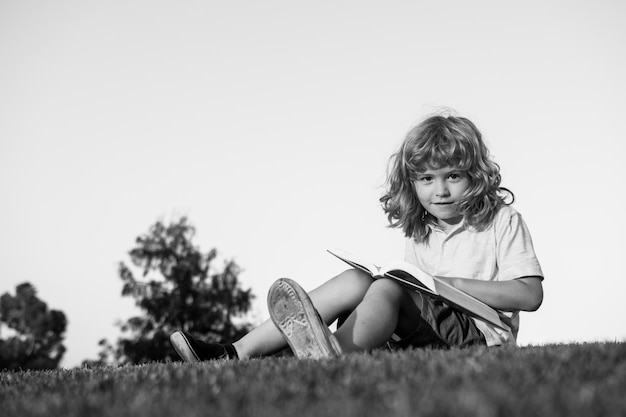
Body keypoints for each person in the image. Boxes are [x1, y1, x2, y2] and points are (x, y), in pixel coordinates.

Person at [170, 113, 544, 362]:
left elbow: (529, 295)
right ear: (411, 184)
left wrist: (447, 284)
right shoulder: (422, 229)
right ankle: (233, 352)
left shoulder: (501, 221)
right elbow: (417, 305)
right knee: (359, 280)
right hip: (429, 332)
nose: (440, 191)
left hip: (480, 339)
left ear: (474, 176)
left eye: (453, 176)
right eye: (427, 179)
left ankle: (333, 353)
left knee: (389, 289)